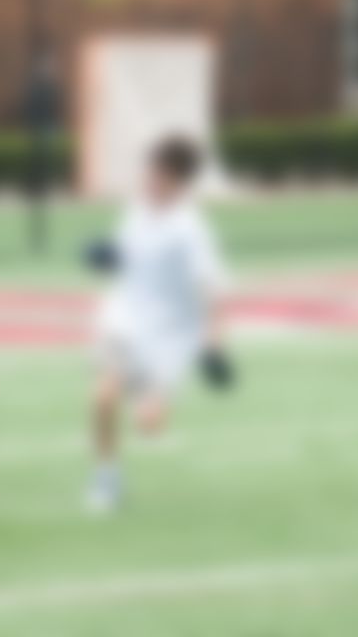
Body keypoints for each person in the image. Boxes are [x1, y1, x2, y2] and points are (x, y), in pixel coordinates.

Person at [85, 136, 232, 516]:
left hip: (170, 339)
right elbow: (124, 254)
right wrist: (106, 257)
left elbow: (213, 292)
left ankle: (147, 399)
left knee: (149, 425)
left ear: (178, 183)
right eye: (147, 172)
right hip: (124, 319)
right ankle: (107, 476)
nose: (147, 181)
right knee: (103, 396)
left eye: (157, 176)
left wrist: (214, 348)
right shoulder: (136, 208)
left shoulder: (191, 231)